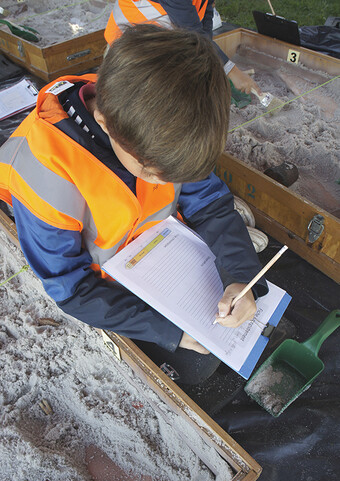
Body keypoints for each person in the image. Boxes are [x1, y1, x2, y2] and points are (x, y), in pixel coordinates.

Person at [0, 24, 267, 385]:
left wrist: (241, 277)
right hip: (95, 275)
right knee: (195, 365)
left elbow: (211, 203)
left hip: (150, 247)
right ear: (103, 123)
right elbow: (72, 288)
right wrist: (171, 332)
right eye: (155, 173)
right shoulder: (46, 175)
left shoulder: (156, 121)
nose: (167, 182)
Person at [104, 0, 261, 95]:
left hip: (162, 41)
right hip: (129, 50)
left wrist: (210, 63)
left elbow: (206, 14)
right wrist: (232, 72)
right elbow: (193, 32)